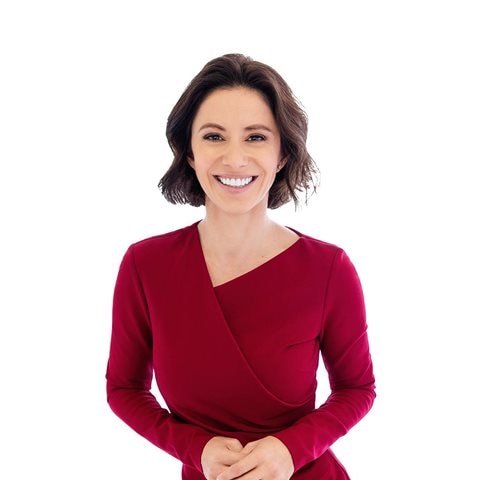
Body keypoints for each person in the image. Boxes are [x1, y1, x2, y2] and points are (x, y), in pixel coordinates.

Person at [106, 53, 376, 480]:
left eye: (255, 137)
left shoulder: (329, 268)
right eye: (214, 136)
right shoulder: (145, 266)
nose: (234, 158)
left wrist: (290, 450)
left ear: (282, 154)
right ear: (189, 152)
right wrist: (196, 449)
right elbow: (123, 389)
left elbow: (358, 388)